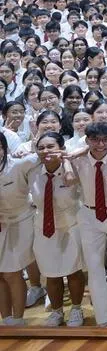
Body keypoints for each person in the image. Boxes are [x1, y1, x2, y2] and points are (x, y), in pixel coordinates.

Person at [69, 121, 107, 326]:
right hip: (89, 214)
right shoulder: (77, 159)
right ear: (87, 140)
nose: (100, 144)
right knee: (94, 265)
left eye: (105, 140)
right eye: (95, 140)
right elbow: (63, 159)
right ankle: (103, 315)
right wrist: (77, 154)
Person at [28, 132, 86, 327]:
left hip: (71, 225)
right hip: (43, 227)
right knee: (50, 273)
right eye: (41, 147)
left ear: (61, 147)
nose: (46, 151)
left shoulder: (73, 169)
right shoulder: (32, 171)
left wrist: (67, 160)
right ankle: (57, 311)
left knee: (73, 271)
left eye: (51, 146)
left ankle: (77, 310)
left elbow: (73, 179)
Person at [0, 131, 40, 325]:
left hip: (21, 220)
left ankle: (18, 319)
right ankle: (6, 318)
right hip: (0, 224)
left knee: (12, 272)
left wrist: (35, 145)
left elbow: (46, 154)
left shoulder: (17, 164)